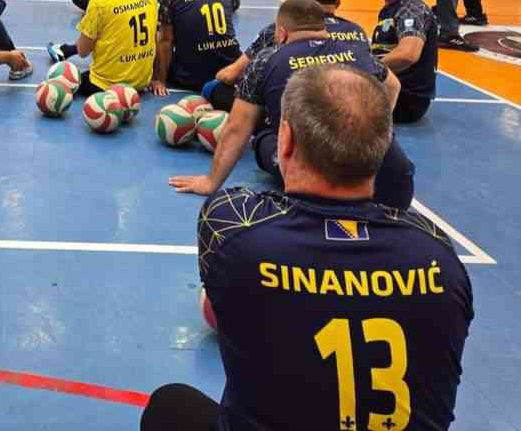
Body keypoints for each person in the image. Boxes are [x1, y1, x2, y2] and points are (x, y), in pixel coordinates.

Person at [144, 65, 473, 431]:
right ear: (383, 146)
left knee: (169, 406)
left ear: (285, 141)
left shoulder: (232, 227)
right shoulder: (440, 255)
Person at [169, 0, 413, 210]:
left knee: (265, 136)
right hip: (391, 178)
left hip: (319, 185)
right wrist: (382, 130)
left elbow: (237, 127)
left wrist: (211, 182)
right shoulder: (358, 52)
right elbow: (393, 85)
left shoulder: (266, 59)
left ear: (281, 32)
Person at [206, 0, 367, 111]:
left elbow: (232, 75)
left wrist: (219, 77)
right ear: (338, 2)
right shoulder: (357, 32)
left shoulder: (280, 29)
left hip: (293, 109)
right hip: (347, 109)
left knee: (215, 88)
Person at [44, 0, 159, 97]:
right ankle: (64, 50)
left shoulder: (99, 3)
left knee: (59, 81)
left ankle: (63, 52)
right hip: (141, 82)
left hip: (108, 85)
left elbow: (83, 51)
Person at [152, 0, 240, 95]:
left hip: (190, 77)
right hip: (228, 72)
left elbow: (166, 40)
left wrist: (160, 80)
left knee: (155, 30)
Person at [372, 0, 439, 123]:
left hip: (405, 100)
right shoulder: (393, 7)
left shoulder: (412, 10)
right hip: (389, 89)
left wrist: (366, 69)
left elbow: (408, 55)